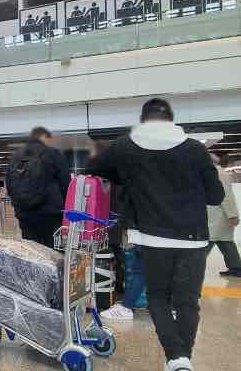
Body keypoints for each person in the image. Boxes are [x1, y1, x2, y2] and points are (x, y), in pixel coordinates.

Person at [85, 98, 224, 371]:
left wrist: (129, 177)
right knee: (187, 302)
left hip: (150, 238)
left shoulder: (125, 146)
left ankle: (175, 356)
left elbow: (93, 168)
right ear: (171, 119)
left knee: (158, 297)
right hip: (193, 237)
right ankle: (182, 359)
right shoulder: (195, 149)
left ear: (143, 119)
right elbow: (215, 195)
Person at [6, 126, 70, 248]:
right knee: (53, 252)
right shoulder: (53, 153)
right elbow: (66, 184)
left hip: (25, 214)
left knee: (32, 252)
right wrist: (64, 208)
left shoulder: (15, 157)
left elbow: (9, 184)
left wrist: (18, 206)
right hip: (51, 214)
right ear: (43, 137)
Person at [206, 154, 240, 277]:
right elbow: (226, 197)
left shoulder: (218, 173)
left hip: (219, 215)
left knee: (208, 241)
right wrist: (232, 215)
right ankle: (236, 268)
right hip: (219, 215)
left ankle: (191, 268)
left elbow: (225, 196)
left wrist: (232, 215)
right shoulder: (219, 173)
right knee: (225, 242)